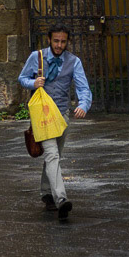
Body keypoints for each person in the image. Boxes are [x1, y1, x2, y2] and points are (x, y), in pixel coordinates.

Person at [19, 25, 92, 220]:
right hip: (41, 116)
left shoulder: (73, 61)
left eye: (63, 41)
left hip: (61, 115)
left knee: (55, 155)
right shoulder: (37, 57)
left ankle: (46, 193)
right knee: (52, 155)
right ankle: (61, 199)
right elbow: (22, 78)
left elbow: (83, 87)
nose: (59, 45)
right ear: (49, 40)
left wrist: (83, 105)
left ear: (67, 41)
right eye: (56, 41)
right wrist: (33, 83)